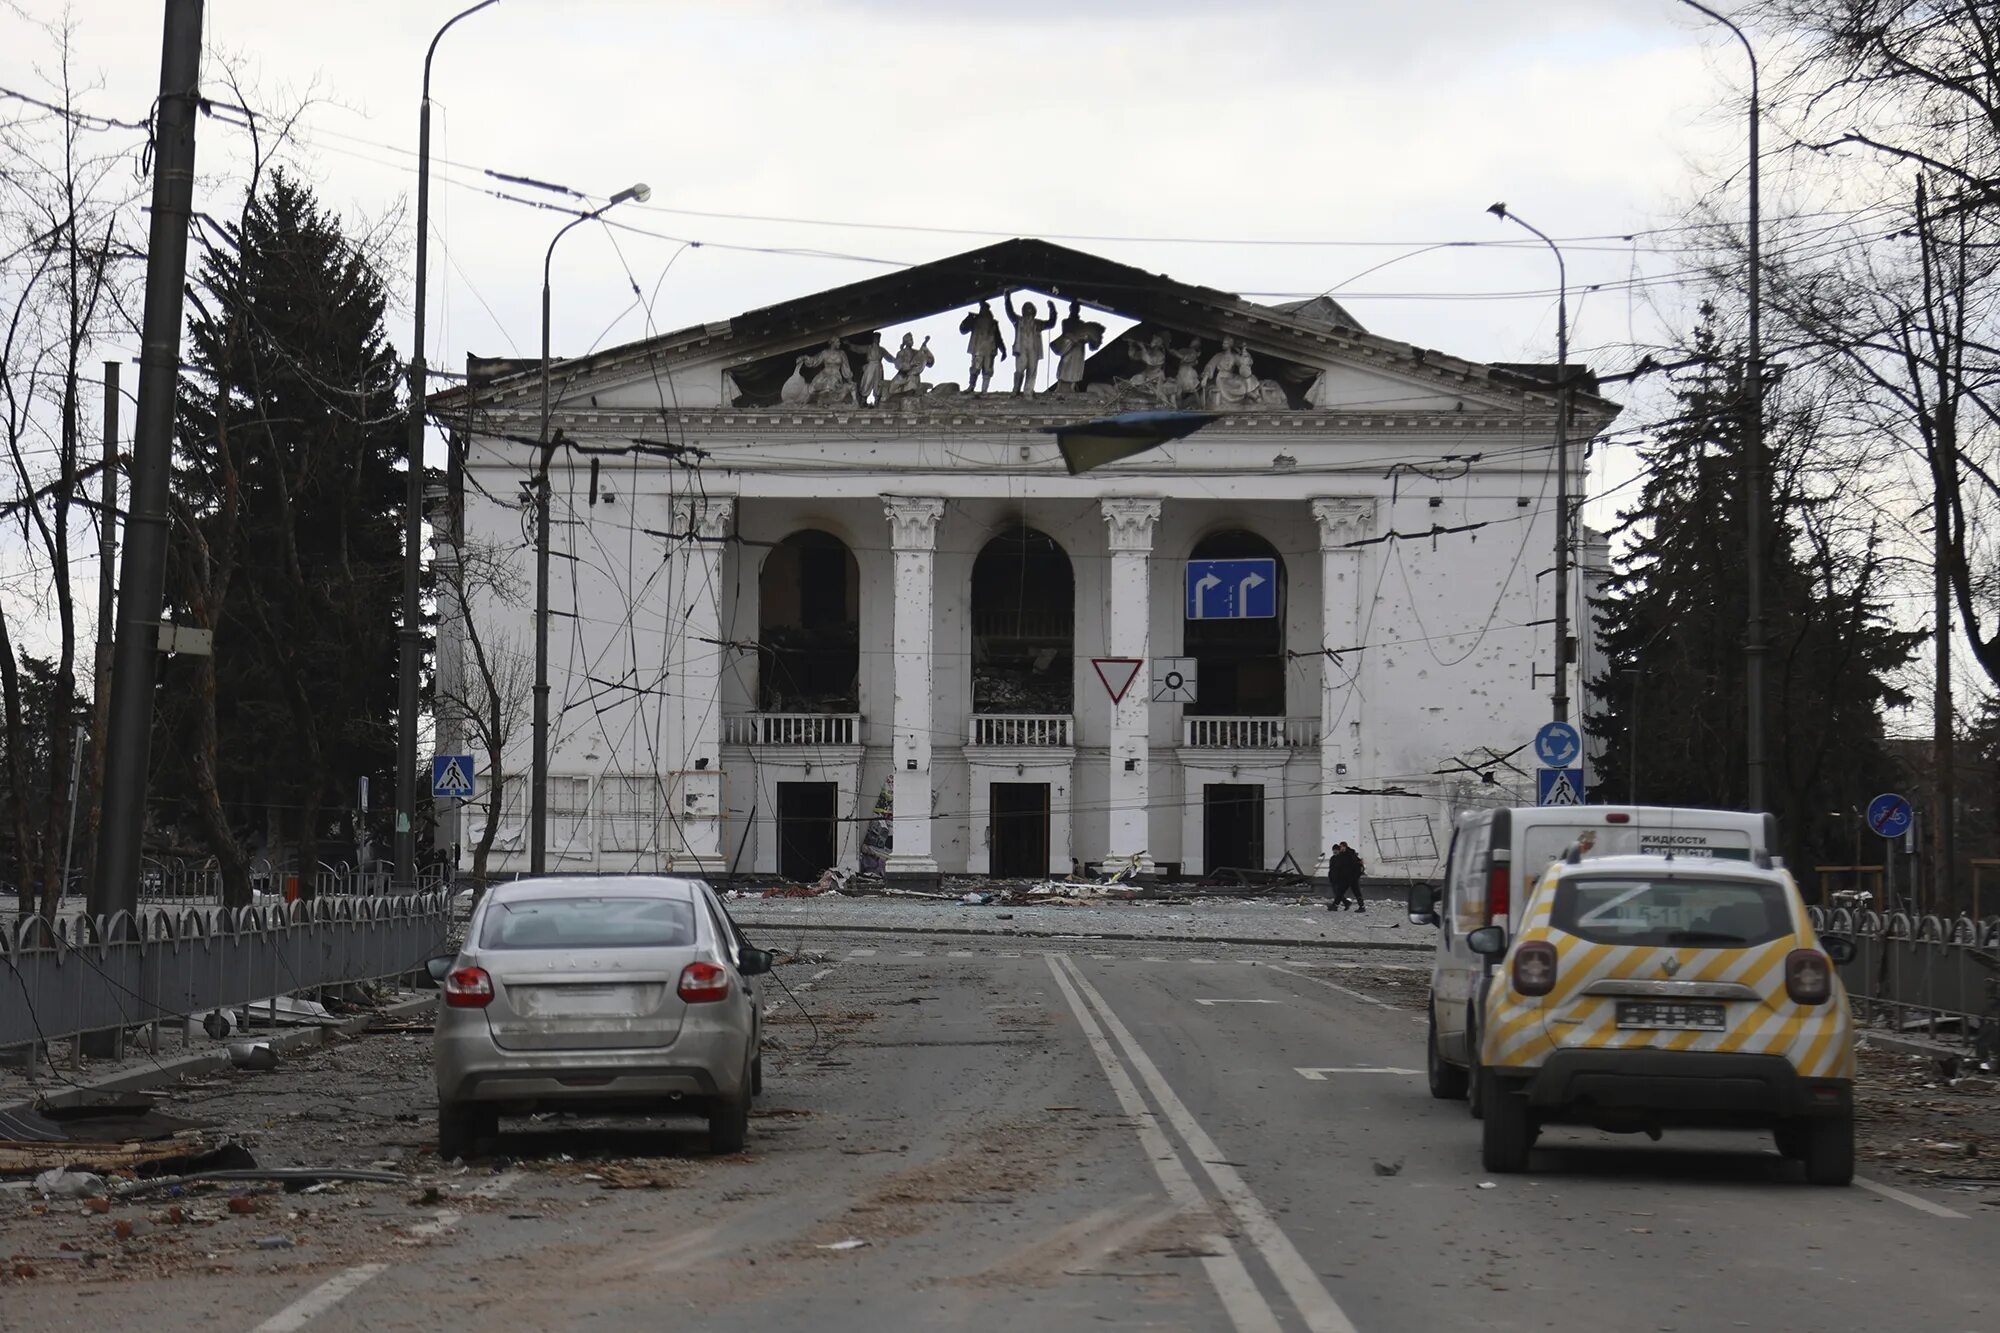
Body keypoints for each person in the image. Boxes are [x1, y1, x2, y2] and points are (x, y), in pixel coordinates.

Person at [1005, 292, 1057, 395]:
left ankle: (1028, 391)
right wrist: (1007, 299)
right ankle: (1016, 389)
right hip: (1021, 349)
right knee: (1019, 369)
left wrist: (1052, 310)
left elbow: (1051, 323)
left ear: (1034, 312)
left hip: (1034, 349)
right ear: (1023, 311)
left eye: (1030, 308)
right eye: (1026, 308)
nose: (1028, 310)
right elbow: (1010, 312)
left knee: (1032, 370)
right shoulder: (1018, 321)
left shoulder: (1038, 323)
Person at [959, 302, 1007, 391]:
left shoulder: (993, 323)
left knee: (987, 370)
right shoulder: (974, 320)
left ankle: (984, 389)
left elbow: (998, 337)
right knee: (975, 368)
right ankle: (972, 387)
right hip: (978, 348)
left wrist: (1003, 350)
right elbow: (963, 330)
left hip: (989, 349)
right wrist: (968, 319)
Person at [1327, 841, 1366, 911]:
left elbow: (1355, 864)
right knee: (1340, 891)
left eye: (1341, 846)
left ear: (1344, 847)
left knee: (1356, 892)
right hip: (1346, 877)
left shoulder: (1350, 854)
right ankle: (1335, 906)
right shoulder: (1344, 855)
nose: (1340, 848)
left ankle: (1362, 906)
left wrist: (1356, 874)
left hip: (1351, 877)